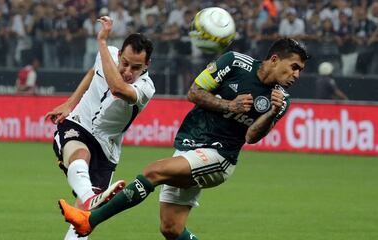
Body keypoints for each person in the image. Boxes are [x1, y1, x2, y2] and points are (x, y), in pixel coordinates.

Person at [58, 38, 310, 239]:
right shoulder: (234, 63)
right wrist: (229, 106)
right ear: (275, 59)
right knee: (171, 229)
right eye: (294, 67)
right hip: (190, 147)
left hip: (220, 157)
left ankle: (89, 220)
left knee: (154, 172)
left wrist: (272, 113)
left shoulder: (281, 99)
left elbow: (252, 136)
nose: (297, 75)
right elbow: (194, 93)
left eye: (300, 70)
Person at [45, 16, 154, 240]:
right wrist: (70, 102)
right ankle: (88, 193)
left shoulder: (145, 88)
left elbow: (117, 87)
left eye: (136, 67)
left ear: (147, 66)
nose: (128, 71)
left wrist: (102, 42)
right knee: (80, 152)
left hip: (107, 149)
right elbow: (94, 72)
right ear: (120, 54)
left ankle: (87, 197)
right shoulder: (108, 53)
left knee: (82, 222)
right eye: (124, 63)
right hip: (78, 124)